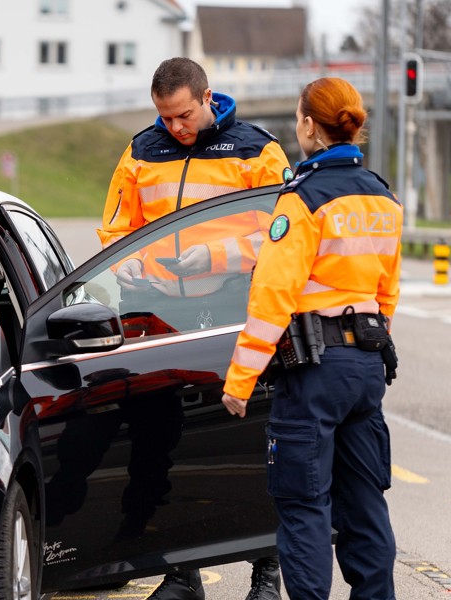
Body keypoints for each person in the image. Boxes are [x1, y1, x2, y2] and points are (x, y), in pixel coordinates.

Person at [99, 56, 289, 600]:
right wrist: (126, 262)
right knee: (164, 442)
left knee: (251, 440)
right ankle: (182, 572)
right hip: (158, 310)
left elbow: (283, 234)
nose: (175, 127)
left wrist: (215, 257)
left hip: (235, 307)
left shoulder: (257, 151)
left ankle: (266, 572)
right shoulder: (142, 150)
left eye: (183, 115)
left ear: (208, 98)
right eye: (165, 117)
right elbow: (116, 228)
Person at [221, 77, 402, 600]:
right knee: (364, 504)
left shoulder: (303, 200)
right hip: (365, 367)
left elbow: (271, 296)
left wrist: (240, 380)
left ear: (307, 125)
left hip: (314, 372)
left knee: (304, 506)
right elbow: (387, 294)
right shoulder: (383, 198)